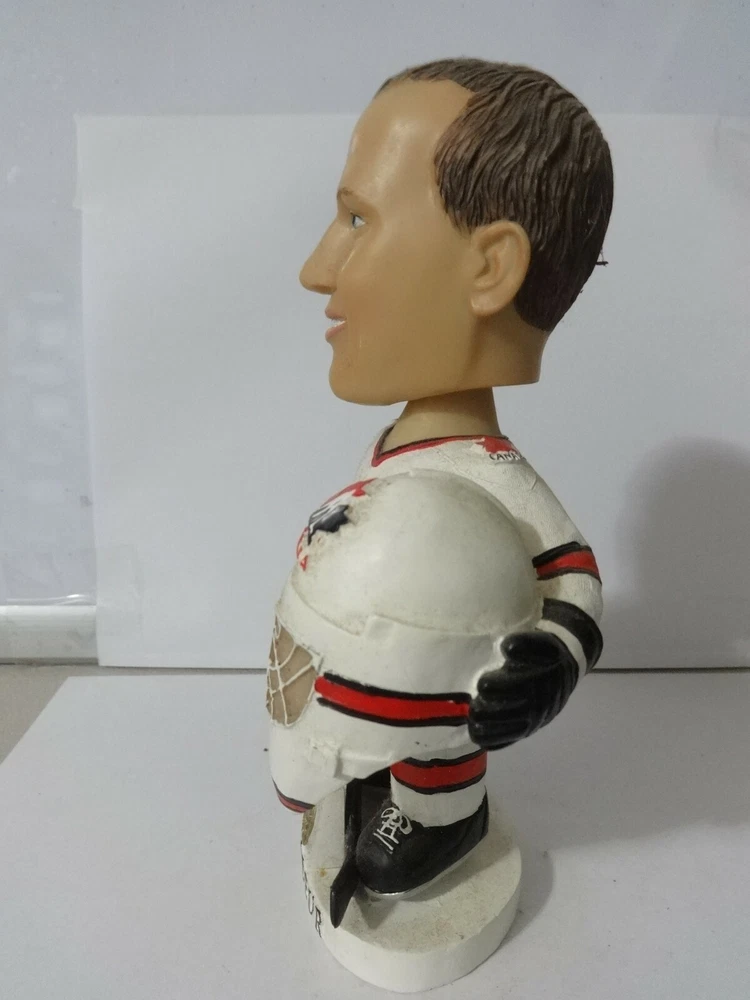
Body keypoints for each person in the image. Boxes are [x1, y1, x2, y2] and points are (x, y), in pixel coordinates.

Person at [277, 57, 613, 901]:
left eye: (358, 219)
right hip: (378, 683)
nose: (317, 269)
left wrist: (550, 663)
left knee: (441, 711)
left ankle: (443, 817)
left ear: (491, 268)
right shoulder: (416, 454)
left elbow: (571, 578)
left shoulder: (487, 479)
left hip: (441, 708)